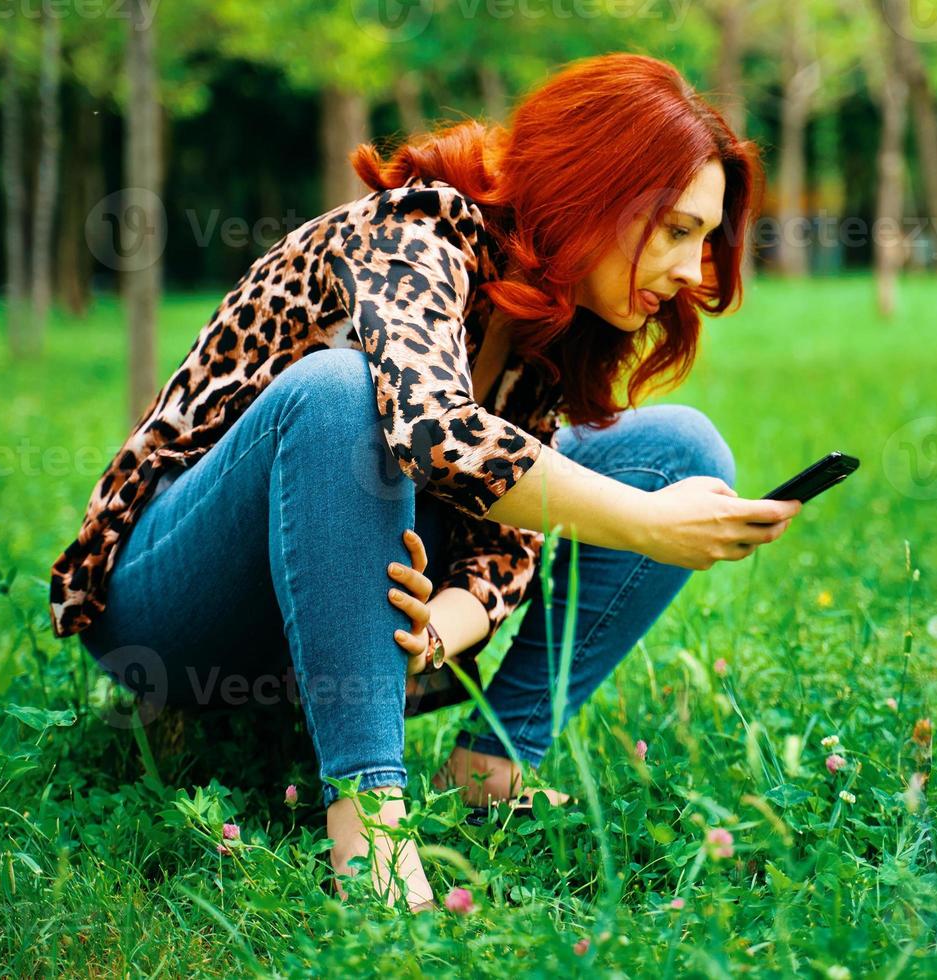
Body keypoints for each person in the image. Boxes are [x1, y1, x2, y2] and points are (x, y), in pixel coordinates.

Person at [49, 53, 802, 911]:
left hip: (352, 615)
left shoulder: (550, 316)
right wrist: (646, 525)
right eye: (676, 230)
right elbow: (434, 431)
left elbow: (507, 524)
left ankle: (492, 768)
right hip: (171, 600)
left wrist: (451, 620)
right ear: (595, 189)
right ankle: (368, 821)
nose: (695, 273)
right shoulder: (421, 229)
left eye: (706, 239)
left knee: (680, 450)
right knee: (340, 395)